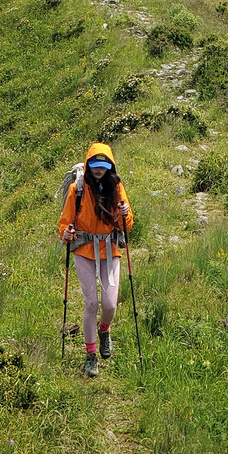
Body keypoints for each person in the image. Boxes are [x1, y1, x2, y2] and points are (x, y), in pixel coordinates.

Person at [59, 143, 133, 377]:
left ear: (110, 166)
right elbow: (65, 221)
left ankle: (104, 330)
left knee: (110, 304)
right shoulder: (77, 189)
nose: (99, 170)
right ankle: (91, 356)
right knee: (91, 302)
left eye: (103, 166)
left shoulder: (117, 187)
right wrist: (66, 233)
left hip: (111, 249)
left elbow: (127, 224)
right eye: (95, 165)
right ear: (88, 164)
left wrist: (125, 214)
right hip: (84, 249)